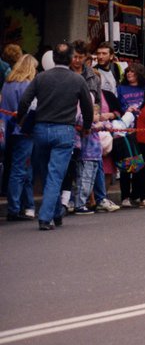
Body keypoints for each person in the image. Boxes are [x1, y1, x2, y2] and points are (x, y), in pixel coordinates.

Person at [17, 42, 94, 230]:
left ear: (53, 58)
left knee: (45, 173)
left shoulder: (41, 77)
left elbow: (25, 101)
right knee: (55, 175)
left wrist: (21, 120)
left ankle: (55, 211)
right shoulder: (78, 80)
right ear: (70, 59)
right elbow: (87, 107)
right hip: (65, 131)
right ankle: (46, 216)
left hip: (41, 129)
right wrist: (87, 126)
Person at [1, 54, 38, 220]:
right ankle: (15, 208)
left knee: (16, 167)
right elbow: (32, 108)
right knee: (20, 169)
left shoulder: (7, 84)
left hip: (8, 130)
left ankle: (22, 205)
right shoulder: (28, 85)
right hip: (24, 130)